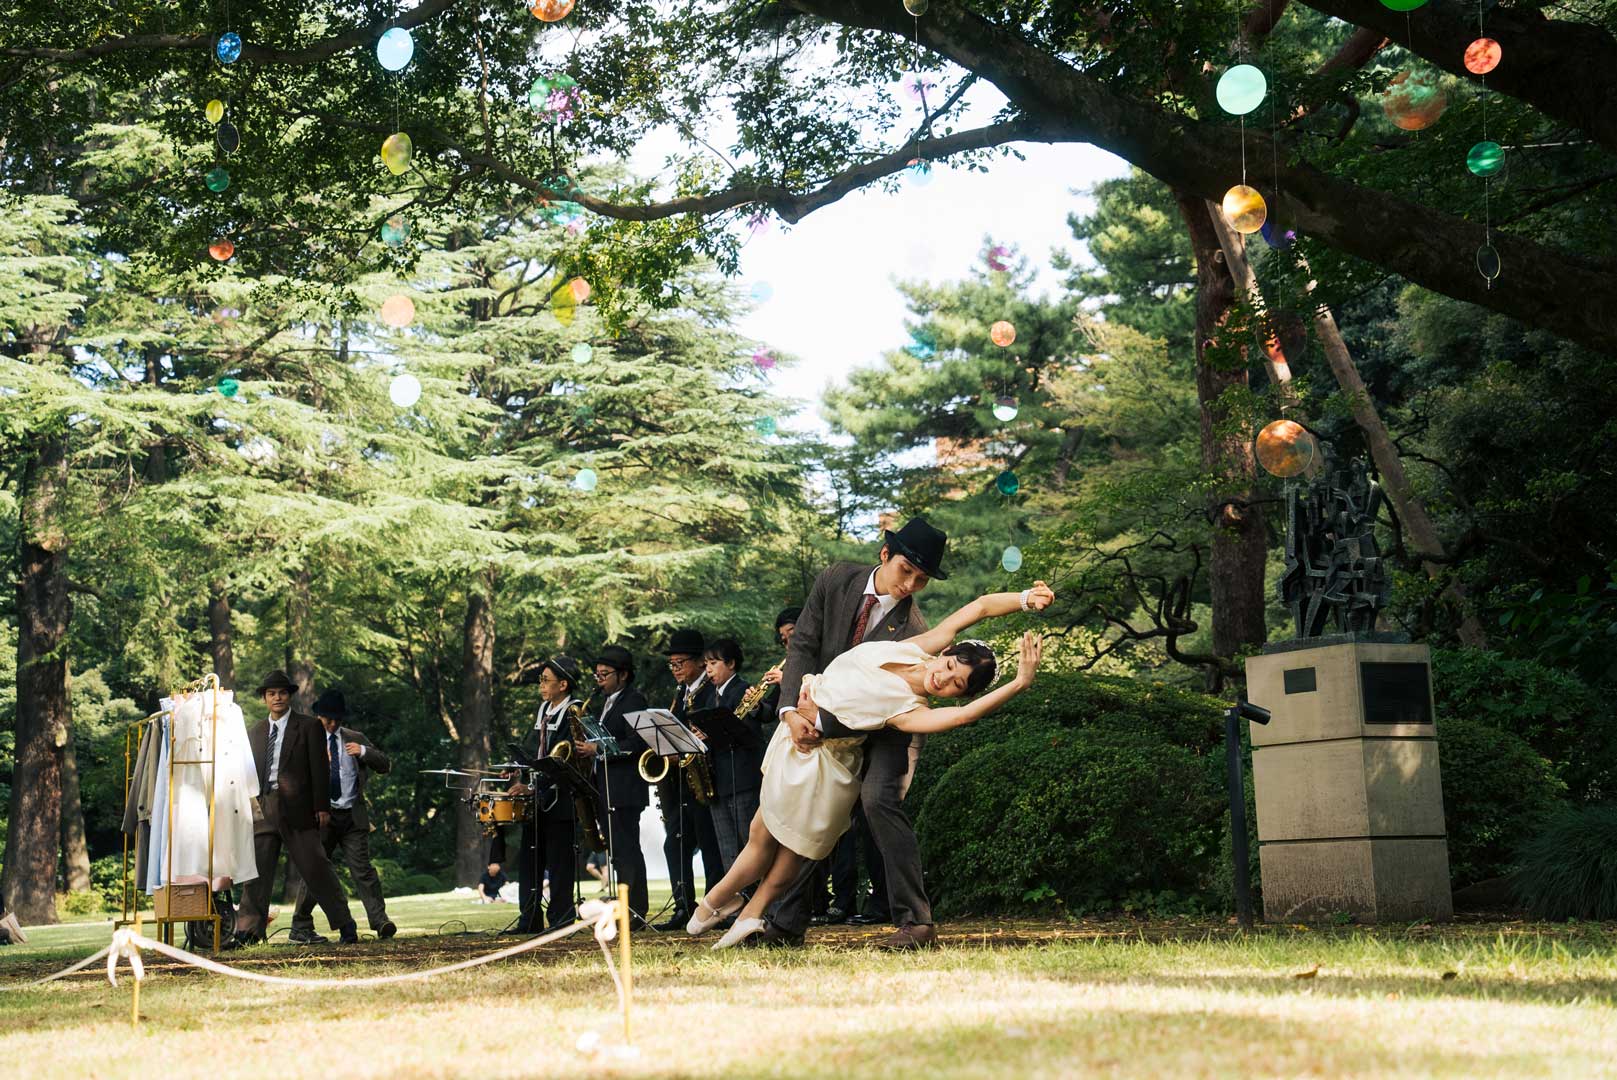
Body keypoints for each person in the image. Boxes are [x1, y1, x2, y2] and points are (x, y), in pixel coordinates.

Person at [689, 583, 1055, 949]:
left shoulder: (911, 712)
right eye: (948, 667)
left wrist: (1019, 683)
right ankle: (741, 911)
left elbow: (964, 717)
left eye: (954, 685)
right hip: (795, 745)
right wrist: (1026, 599)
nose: (943, 679)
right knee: (765, 837)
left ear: (958, 695)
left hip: (825, 766)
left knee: (786, 847)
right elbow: (979, 606)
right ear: (945, 652)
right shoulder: (915, 649)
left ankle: (720, 907)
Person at [762, 517, 946, 950]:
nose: (910, 585)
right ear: (885, 554)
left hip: (887, 724)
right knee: (821, 807)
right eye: (906, 571)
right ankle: (786, 924)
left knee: (878, 800)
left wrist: (824, 723)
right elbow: (803, 645)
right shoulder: (835, 579)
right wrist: (790, 711)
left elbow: (895, 705)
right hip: (821, 709)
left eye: (921, 580)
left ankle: (917, 923)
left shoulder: (915, 630)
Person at [235, 670, 360, 947]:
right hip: (263, 806)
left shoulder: (308, 726)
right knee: (256, 871)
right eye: (271, 694)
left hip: (298, 807)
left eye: (282, 692)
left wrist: (322, 807)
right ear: (265, 698)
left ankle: (345, 924)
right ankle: (249, 931)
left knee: (316, 867)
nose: (277, 698)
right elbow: (247, 772)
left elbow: (320, 768)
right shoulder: (255, 732)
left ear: (289, 696)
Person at [287, 690, 397, 944]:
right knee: (314, 871)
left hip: (352, 817)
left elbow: (385, 764)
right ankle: (300, 925)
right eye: (328, 719)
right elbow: (292, 777)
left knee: (363, 871)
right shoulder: (307, 739)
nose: (333, 723)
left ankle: (380, 921)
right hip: (321, 818)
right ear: (318, 716)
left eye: (337, 719)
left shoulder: (354, 738)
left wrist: (364, 751)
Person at [506, 655, 587, 932]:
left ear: (563, 684)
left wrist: (533, 786)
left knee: (560, 861)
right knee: (530, 858)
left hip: (562, 797)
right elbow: (533, 749)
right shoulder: (544, 709)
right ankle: (529, 918)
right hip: (538, 798)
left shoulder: (574, 711)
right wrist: (515, 766)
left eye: (545, 680)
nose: (540, 685)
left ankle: (561, 918)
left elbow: (562, 759)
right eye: (540, 680)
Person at [654, 629, 722, 931]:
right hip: (682, 782)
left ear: (698, 662)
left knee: (710, 846)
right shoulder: (680, 693)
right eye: (671, 664)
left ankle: (714, 907)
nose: (675, 669)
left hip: (706, 780)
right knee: (675, 844)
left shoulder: (710, 690)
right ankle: (684, 905)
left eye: (679, 663)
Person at [587, 645, 652, 922]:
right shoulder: (607, 702)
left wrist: (597, 749)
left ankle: (634, 910)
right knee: (617, 851)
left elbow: (636, 743)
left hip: (624, 788)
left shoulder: (633, 700)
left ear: (623, 675)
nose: (599, 680)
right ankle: (625, 906)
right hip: (606, 786)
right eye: (597, 675)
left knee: (627, 850)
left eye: (605, 674)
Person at [700, 637, 764, 877]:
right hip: (718, 782)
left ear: (731, 664)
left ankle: (761, 897)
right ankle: (736, 897)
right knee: (727, 849)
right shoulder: (710, 697)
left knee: (750, 844)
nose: (708, 669)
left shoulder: (743, 690)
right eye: (706, 664)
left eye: (714, 663)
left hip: (742, 779)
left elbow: (750, 732)